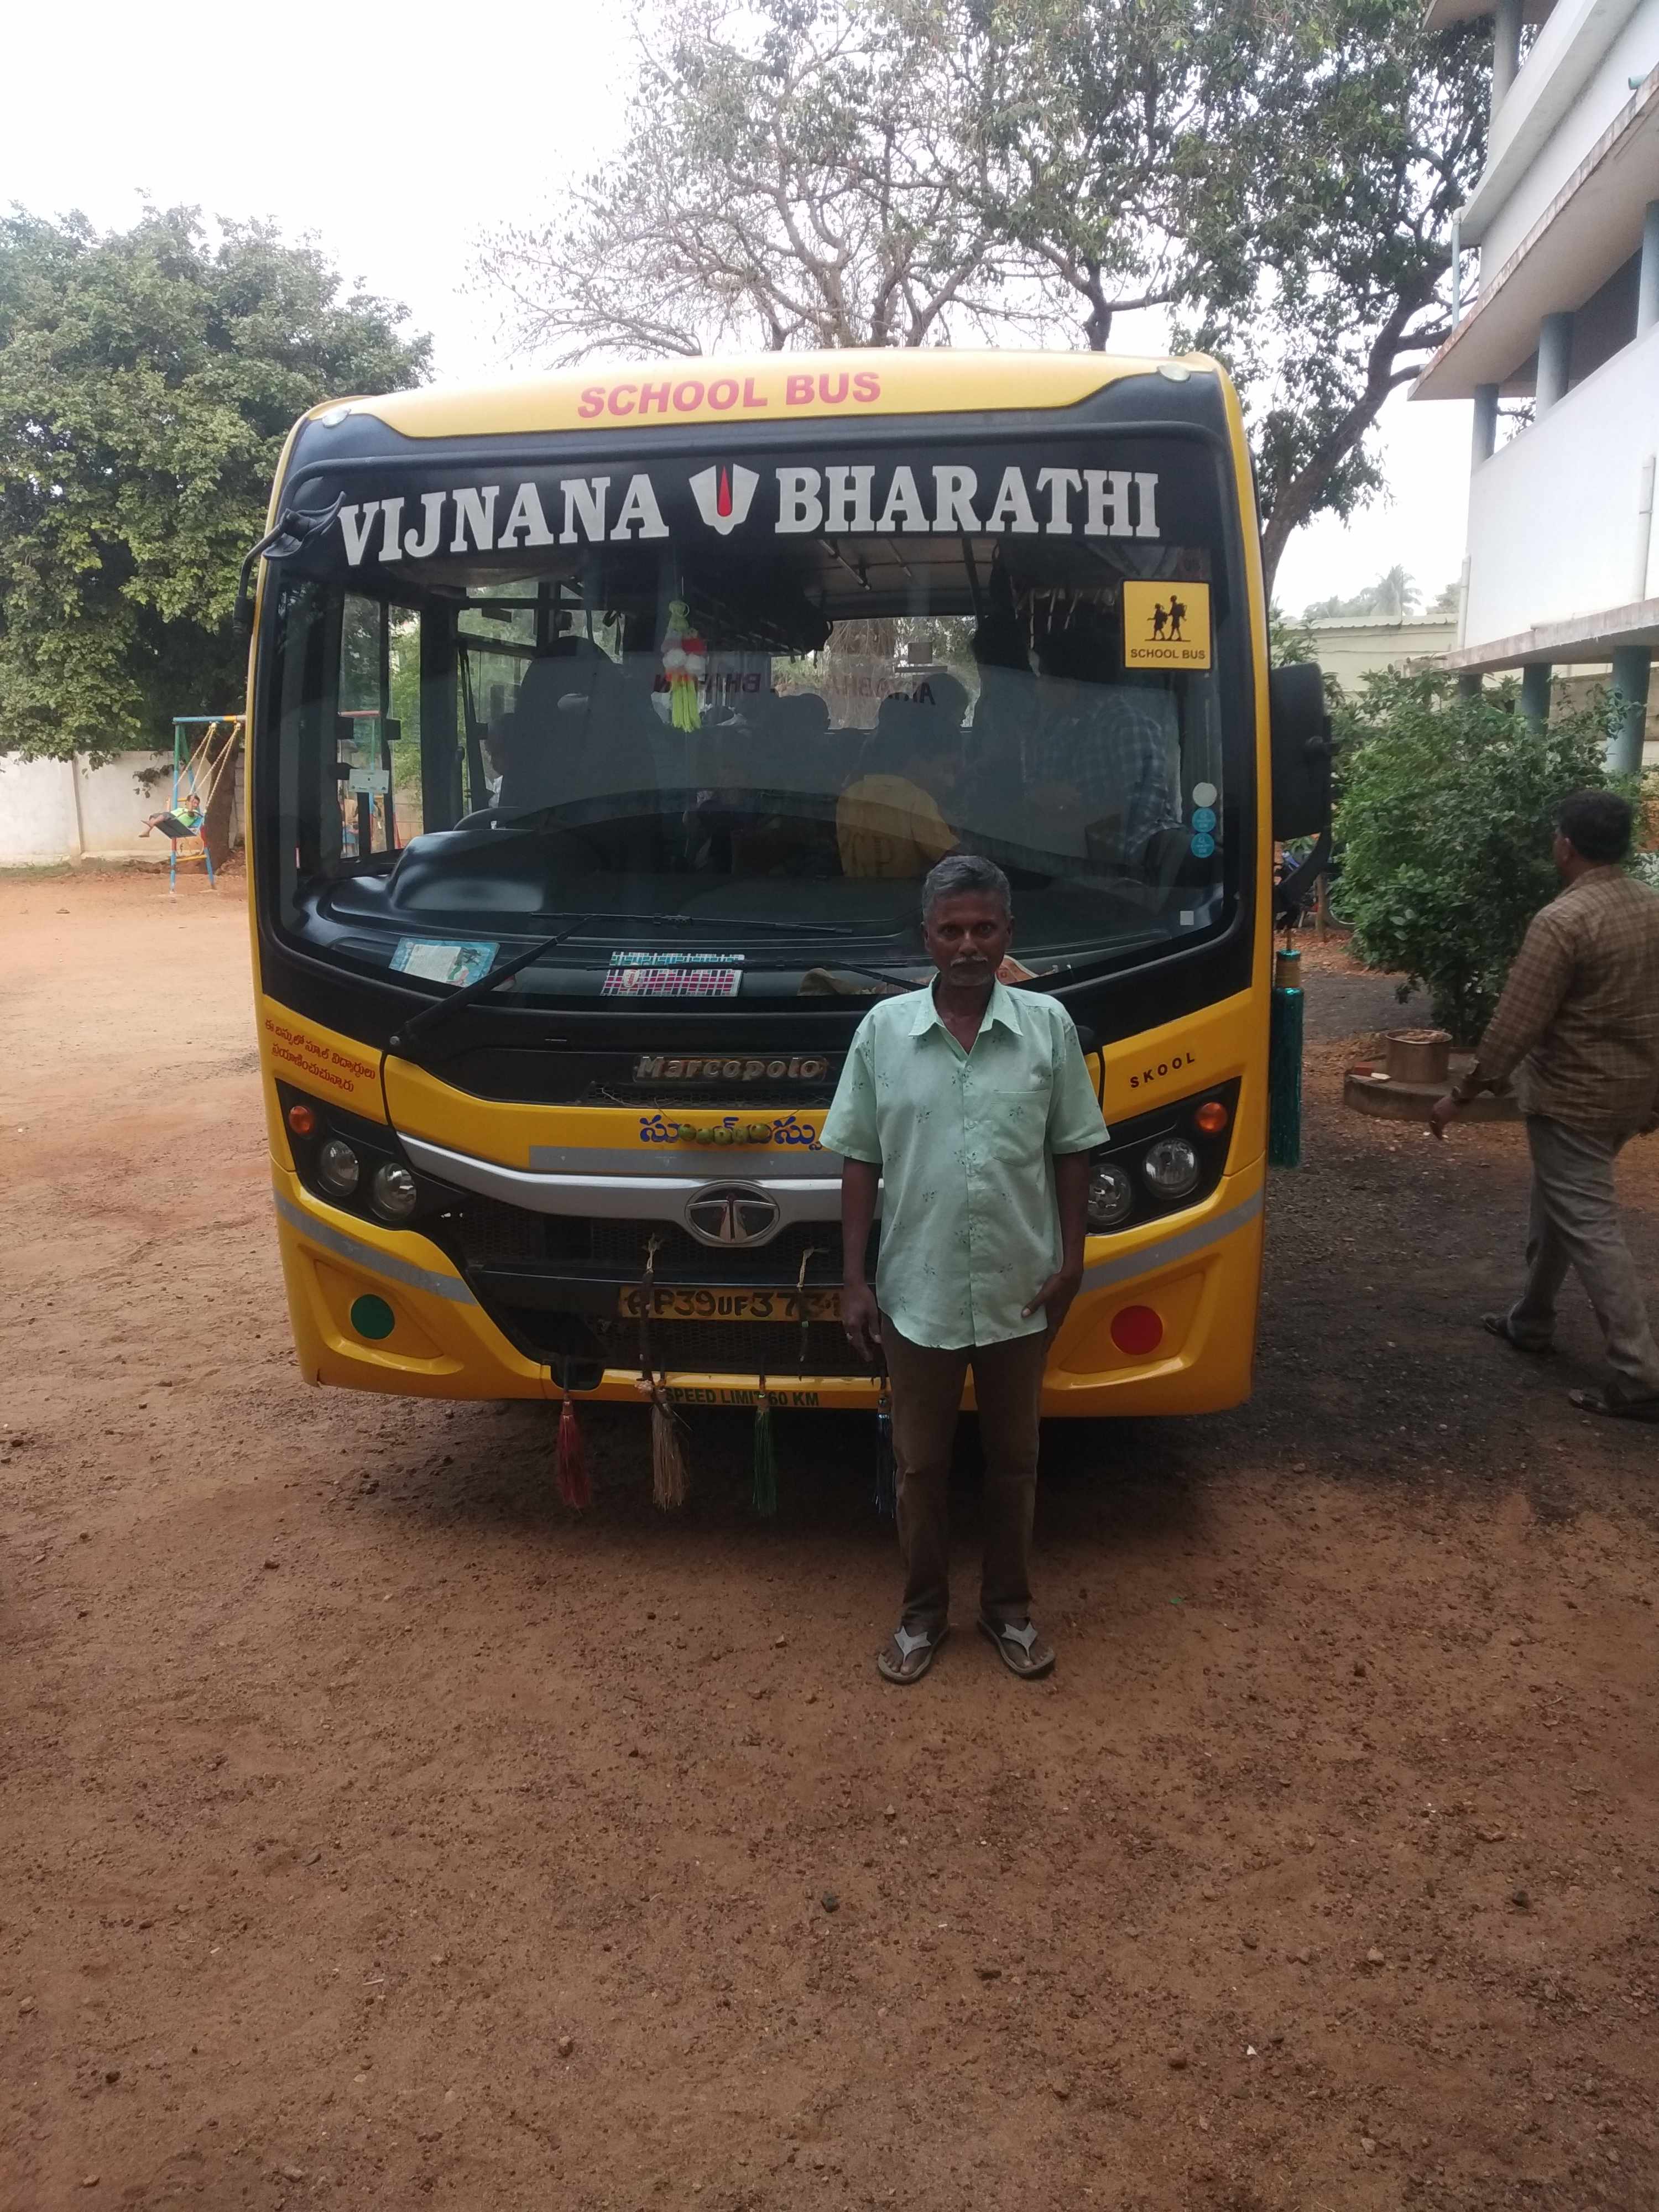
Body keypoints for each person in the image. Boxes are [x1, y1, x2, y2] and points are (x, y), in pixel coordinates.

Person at [821, 853, 1109, 1683]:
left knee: (1016, 1461)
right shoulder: (883, 1031)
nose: (969, 945)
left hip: (1023, 1285)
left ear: (1009, 932)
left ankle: (1008, 1610)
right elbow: (859, 1160)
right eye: (952, 930)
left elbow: (1074, 1148)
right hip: (917, 1290)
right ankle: (921, 1616)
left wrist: (1073, 1259)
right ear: (927, 939)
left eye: (985, 927)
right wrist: (855, 1279)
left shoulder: (1048, 1026)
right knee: (921, 1465)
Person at [1431, 789, 1659, 1420]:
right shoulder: (1650, 906)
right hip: (1630, 1094)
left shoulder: (1564, 921)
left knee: (1589, 1224)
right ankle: (1530, 1320)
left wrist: (1461, 1094)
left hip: (1572, 1100)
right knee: (1559, 1206)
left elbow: (1514, 1025)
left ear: (1566, 846)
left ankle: (1641, 1374)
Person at [836, 690, 959, 880]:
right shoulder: (916, 801)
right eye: (945, 769)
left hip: (856, 896)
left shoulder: (850, 794)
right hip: (905, 897)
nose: (950, 782)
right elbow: (953, 861)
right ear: (915, 759)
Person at [139, 794, 204, 842]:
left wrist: (191, 802)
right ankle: (147, 832)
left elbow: (190, 814)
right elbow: (168, 813)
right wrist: (169, 802)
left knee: (165, 815)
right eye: (194, 803)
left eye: (197, 804)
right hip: (172, 822)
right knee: (155, 815)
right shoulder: (180, 809)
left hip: (180, 825)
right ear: (187, 802)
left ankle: (152, 824)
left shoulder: (195, 812)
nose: (196, 805)